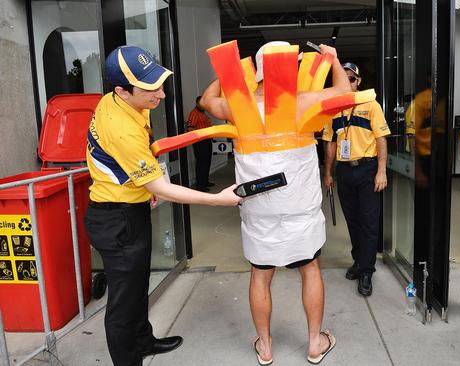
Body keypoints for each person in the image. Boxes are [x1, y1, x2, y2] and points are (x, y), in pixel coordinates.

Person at [84, 45, 241, 366]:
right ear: (121, 91)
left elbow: (136, 169)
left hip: (130, 207)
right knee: (123, 306)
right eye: (150, 88)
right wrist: (218, 199)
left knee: (139, 284)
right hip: (116, 220)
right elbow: (163, 188)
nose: (162, 94)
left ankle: (143, 342)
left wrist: (142, 182)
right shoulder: (122, 129)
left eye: (159, 82)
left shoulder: (116, 102)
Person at [200, 41, 351, 365]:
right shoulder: (304, 102)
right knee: (310, 269)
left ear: (257, 70)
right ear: (290, 67)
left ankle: (265, 347)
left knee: (260, 274)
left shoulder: (237, 106)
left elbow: (205, 101)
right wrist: (334, 60)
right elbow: (342, 90)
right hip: (301, 207)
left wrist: (229, 75)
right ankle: (314, 343)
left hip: (258, 209)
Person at [322, 62, 390, 297]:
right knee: (352, 221)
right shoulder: (332, 109)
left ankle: (367, 271)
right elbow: (330, 143)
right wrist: (328, 172)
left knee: (369, 222)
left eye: (352, 79)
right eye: (343, 79)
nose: (348, 83)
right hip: (345, 171)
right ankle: (359, 260)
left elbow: (381, 138)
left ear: (358, 82)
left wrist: (381, 171)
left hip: (368, 169)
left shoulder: (370, 104)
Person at [186, 96, 214, 192]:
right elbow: (190, 128)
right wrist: (199, 136)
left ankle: (205, 181)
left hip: (207, 140)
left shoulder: (203, 114)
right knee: (201, 163)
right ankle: (200, 185)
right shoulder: (194, 113)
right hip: (200, 142)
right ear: (197, 103)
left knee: (207, 162)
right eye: (202, 103)